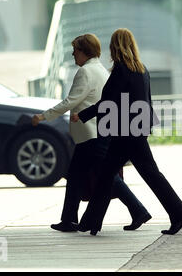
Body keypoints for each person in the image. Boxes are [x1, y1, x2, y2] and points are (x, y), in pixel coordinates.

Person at [72, 28, 182, 236]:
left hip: (124, 133)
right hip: (137, 131)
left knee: (110, 175)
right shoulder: (141, 68)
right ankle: (91, 222)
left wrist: (83, 115)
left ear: (114, 47)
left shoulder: (121, 70)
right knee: (123, 175)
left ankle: (91, 222)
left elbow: (109, 102)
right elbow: (147, 100)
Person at [32, 33, 151, 232]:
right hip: (97, 131)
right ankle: (70, 219)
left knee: (106, 176)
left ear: (84, 51)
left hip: (90, 133)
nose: (73, 55)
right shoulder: (101, 69)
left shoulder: (85, 72)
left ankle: (137, 210)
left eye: (75, 51)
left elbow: (71, 101)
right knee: (78, 175)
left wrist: (43, 117)